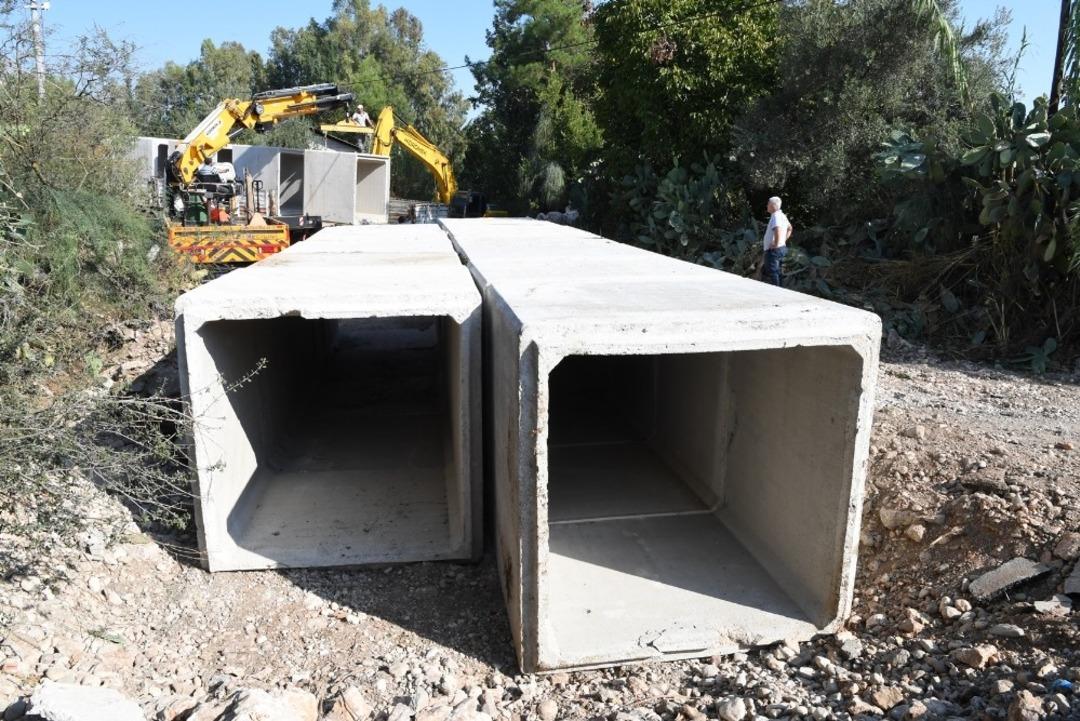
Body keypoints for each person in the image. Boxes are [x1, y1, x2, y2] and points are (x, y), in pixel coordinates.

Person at [761, 195, 792, 286]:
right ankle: (780, 291)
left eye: (768, 204)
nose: (767, 206)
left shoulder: (776, 215)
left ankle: (776, 293)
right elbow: (790, 228)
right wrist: (783, 240)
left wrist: (776, 243)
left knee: (772, 272)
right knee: (778, 272)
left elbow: (777, 229)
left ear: (773, 205)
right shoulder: (782, 216)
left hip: (774, 250)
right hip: (781, 248)